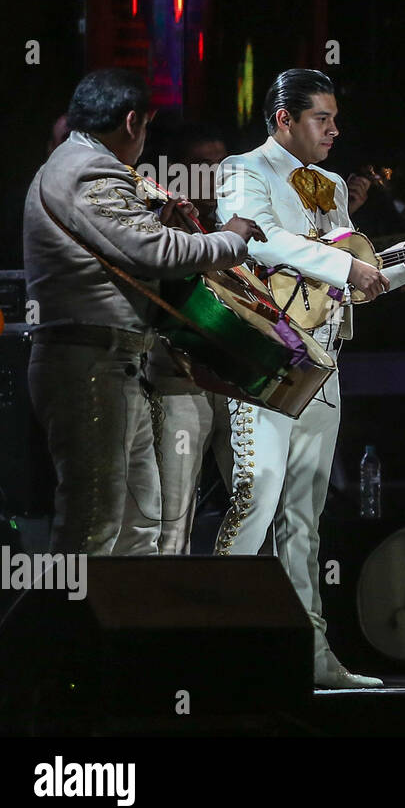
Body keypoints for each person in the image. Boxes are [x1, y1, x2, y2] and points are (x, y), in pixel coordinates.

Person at [213, 69, 405, 688]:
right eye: (323, 119)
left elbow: (345, 287)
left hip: (324, 358)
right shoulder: (244, 170)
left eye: (336, 119)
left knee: (304, 515)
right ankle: (209, 650)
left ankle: (311, 656)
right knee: (256, 500)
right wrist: (347, 262)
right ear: (284, 119)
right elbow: (261, 245)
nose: (335, 130)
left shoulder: (333, 187)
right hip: (265, 353)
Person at [23, 69, 263, 555]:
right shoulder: (86, 168)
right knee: (91, 525)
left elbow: (129, 243)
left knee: (138, 528)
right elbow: (150, 251)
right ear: (133, 122)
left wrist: (156, 222)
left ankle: (126, 632)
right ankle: (61, 631)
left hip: (112, 365)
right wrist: (230, 238)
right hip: (88, 367)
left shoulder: (78, 164)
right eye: (146, 128)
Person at [145, 123, 236, 554]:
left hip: (240, 383)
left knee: (255, 508)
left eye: (220, 164)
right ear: (177, 172)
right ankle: (166, 616)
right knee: (173, 519)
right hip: (180, 382)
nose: (214, 174)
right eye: (202, 165)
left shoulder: (242, 218)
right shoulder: (157, 225)